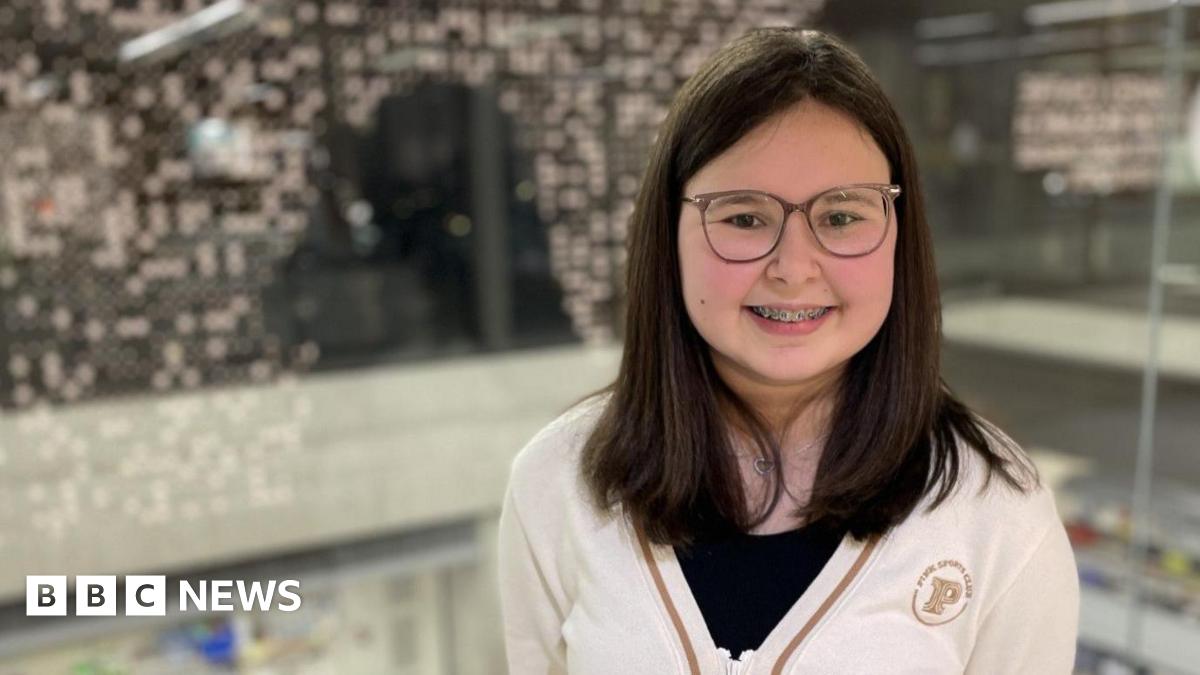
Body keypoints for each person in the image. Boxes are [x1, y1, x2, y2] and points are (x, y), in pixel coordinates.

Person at [497, 27, 1079, 675]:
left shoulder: (998, 513)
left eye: (841, 216)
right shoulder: (554, 482)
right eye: (744, 217)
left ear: (898, 237)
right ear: (669, 235)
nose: (794, 267)